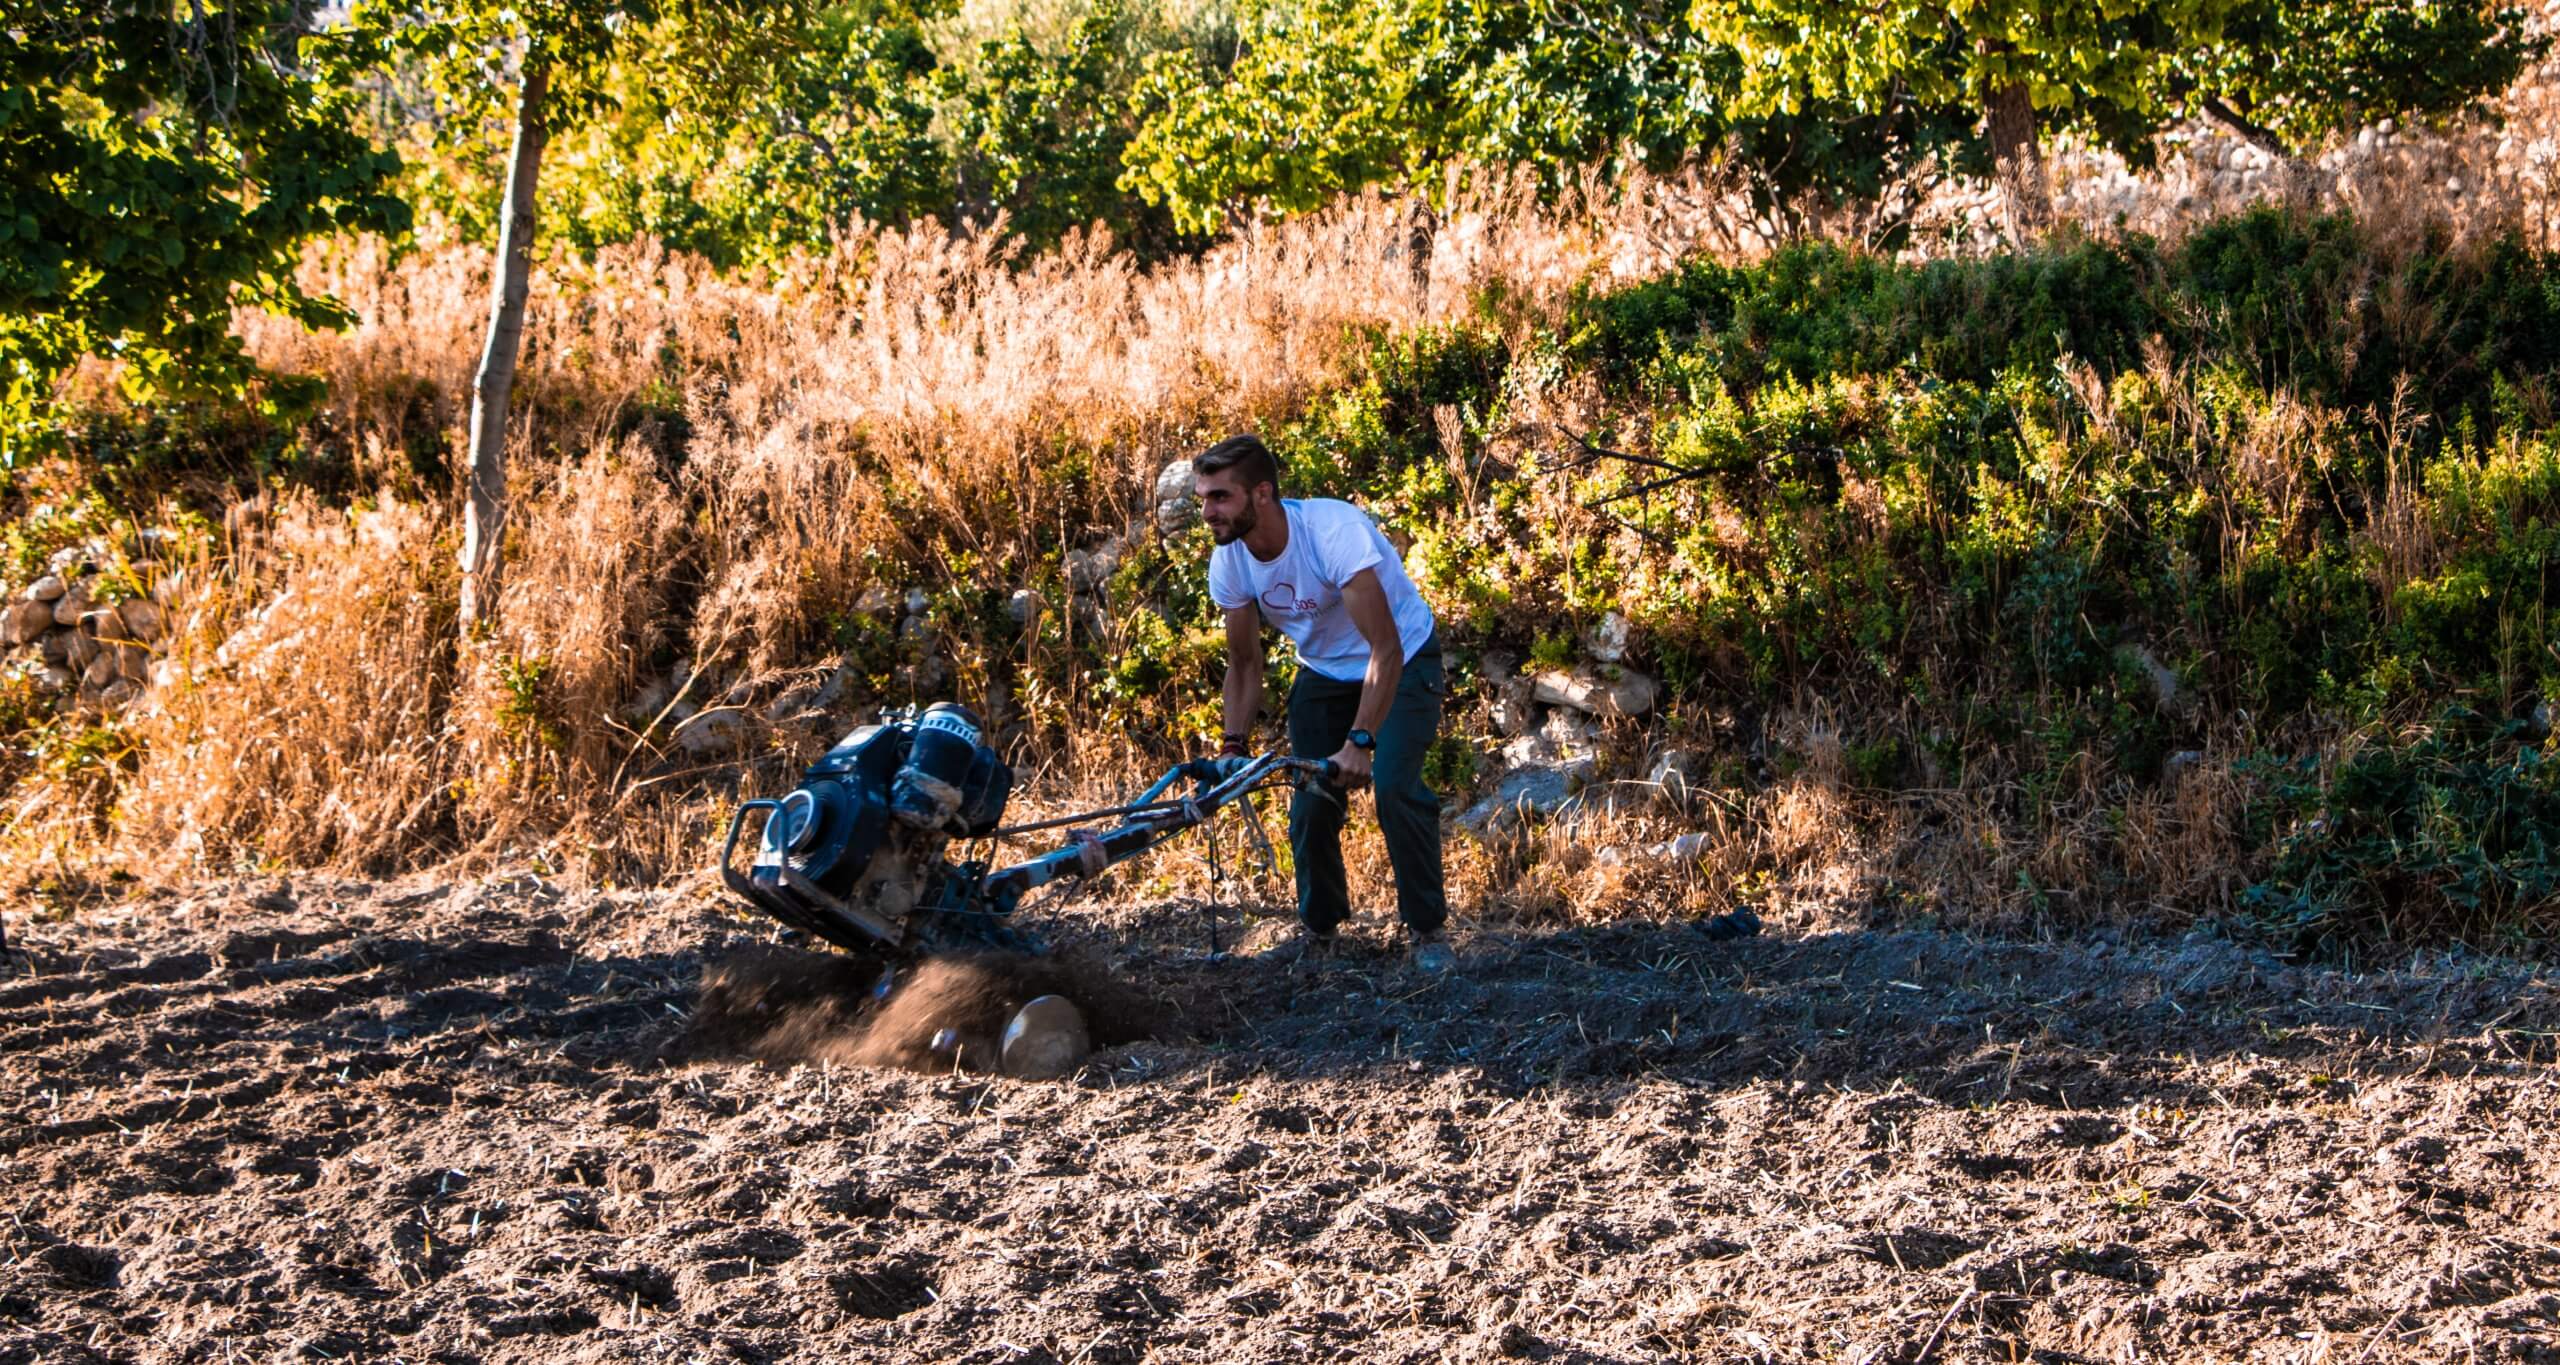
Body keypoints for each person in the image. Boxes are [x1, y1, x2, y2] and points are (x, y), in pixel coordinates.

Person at [1196, 434, 1455, 972]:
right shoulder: (1231, 562)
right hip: (1323, 673)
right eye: (1203, 498)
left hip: (1401, 659)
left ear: (1261, 494)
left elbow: (1383, 646)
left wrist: (1361, 740)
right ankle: (1321, 932)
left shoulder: (1332, 532)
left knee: (1392, 788)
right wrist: (1233, 744)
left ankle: (1428, 933)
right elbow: (1245, 664)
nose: (1208, 512)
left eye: (1220, 497)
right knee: (1312, 802)